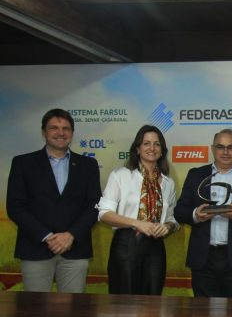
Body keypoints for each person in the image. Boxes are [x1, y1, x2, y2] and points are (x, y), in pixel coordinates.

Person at [6, 108, 101, 293]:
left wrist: (70, 235)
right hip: (36, 248)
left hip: (75, 249)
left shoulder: (88, 165)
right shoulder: (23, 163)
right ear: (44, 132)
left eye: (66, 128)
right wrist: (47, 236)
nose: (60, 132)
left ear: (72, 133)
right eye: (54, 128)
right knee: (36, 307)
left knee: (72, 308)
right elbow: (15, 206)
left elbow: (94, 205)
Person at [174, 129, 232, 298]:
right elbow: (180, 211)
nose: (225, 152)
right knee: (203, 311)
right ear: (212, 149)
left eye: (231, 147)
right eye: (220, 147)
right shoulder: (196, 175)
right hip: (203, 259)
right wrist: (196, 214)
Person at [97, 125, 179, 295]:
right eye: (146, 143)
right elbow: (104, 213)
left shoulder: (168, 183)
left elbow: (172, 218)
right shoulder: (121, 175)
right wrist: (137, 223)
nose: (152, 148)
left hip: (155, 247)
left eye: (157, 144)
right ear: (137, 149)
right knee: (123, 301)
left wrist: (168, 226)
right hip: (126, 244)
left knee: (152, 301)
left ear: (162, 151)